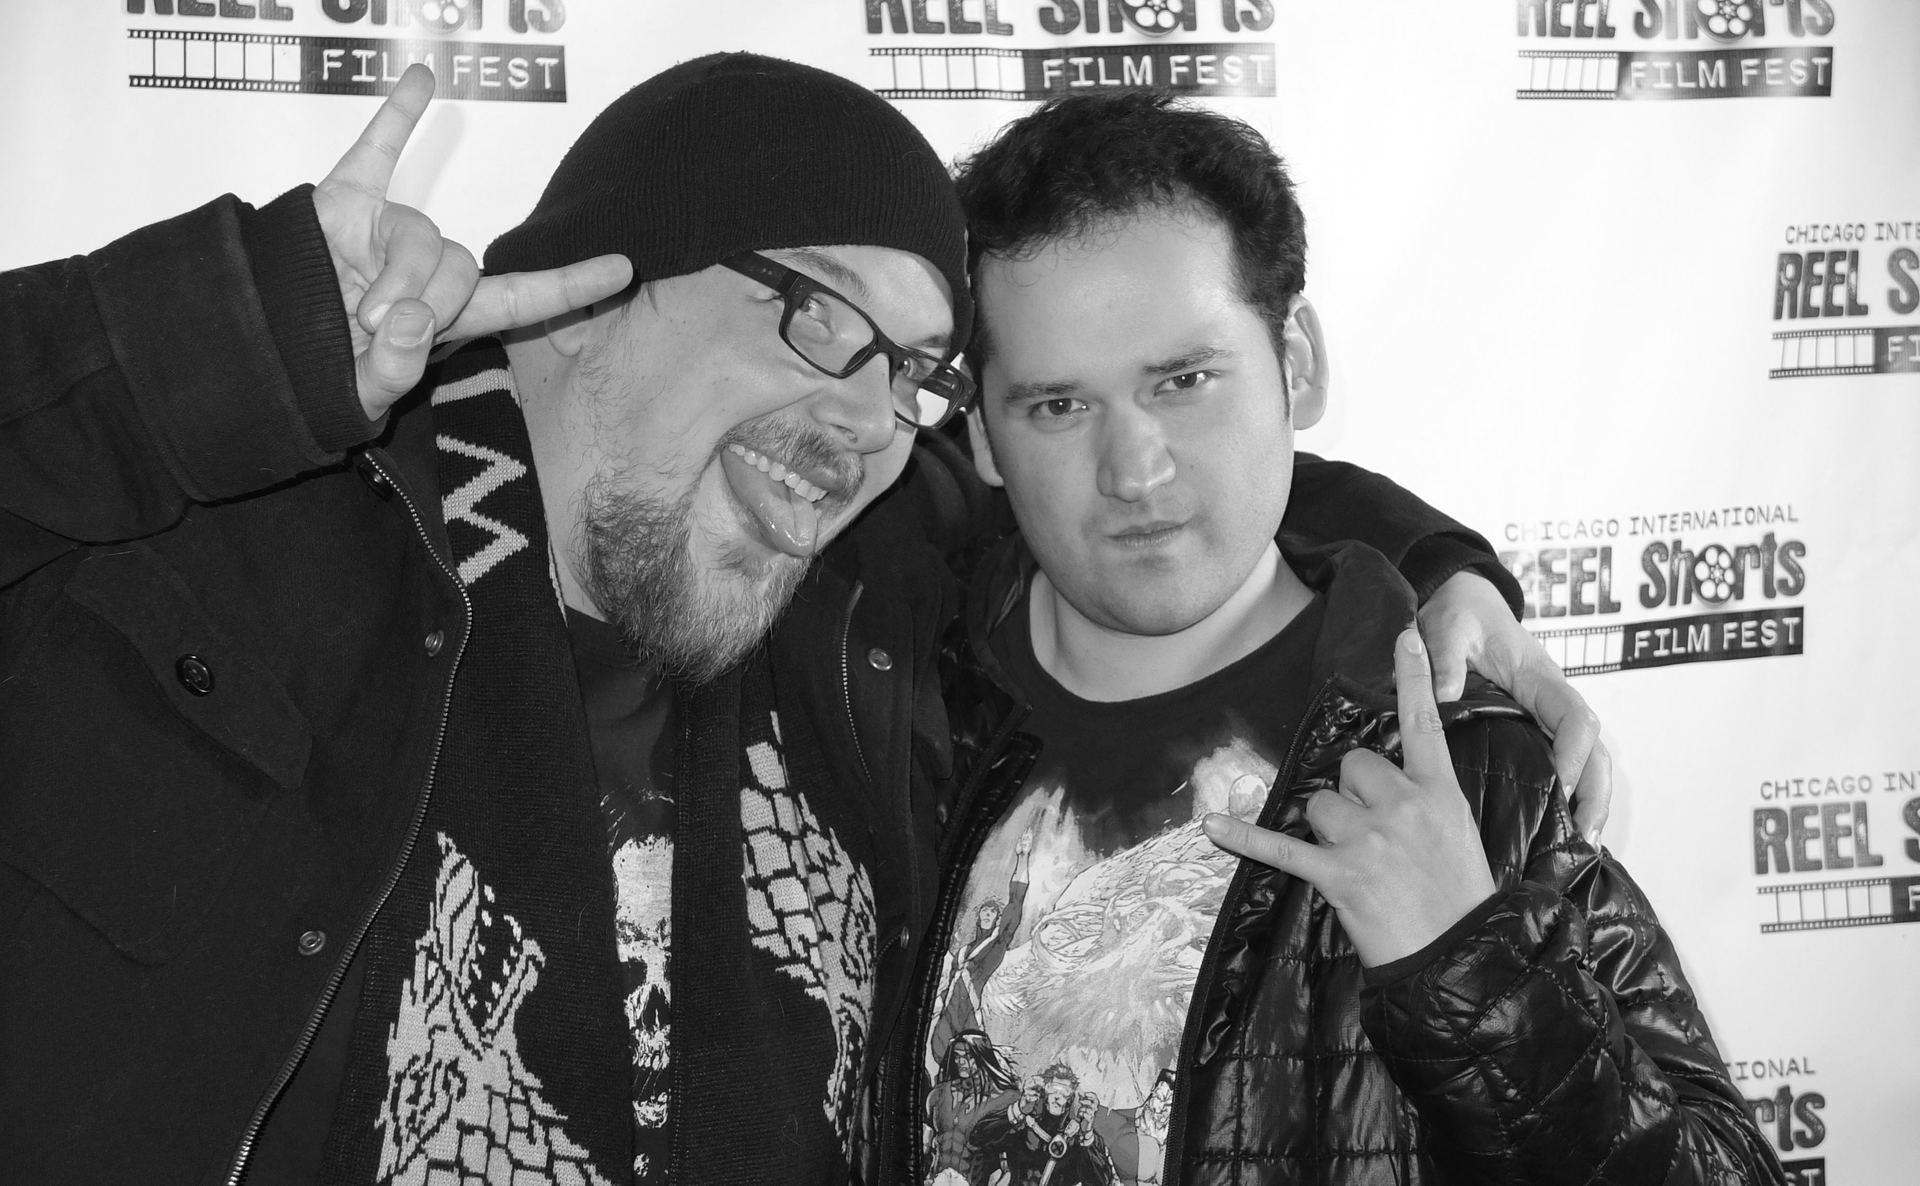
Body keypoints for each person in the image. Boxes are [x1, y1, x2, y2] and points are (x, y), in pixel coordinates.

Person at [2, 55, 1605, 1186]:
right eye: (823, 319)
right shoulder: (246, 519)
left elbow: (1139, 482)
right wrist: (223, 342)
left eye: (917, 375)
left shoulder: (860, 592)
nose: (866, 424)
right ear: (587, 284)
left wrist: (1432, 557)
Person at [872, 91, 1784, 1185]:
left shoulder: (1462, 760)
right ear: (977, 431)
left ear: (1295, 362)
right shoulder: (886, 692)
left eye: (1184, 380)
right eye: (1059, 407)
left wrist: (1470, 966)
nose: (1135, 470)